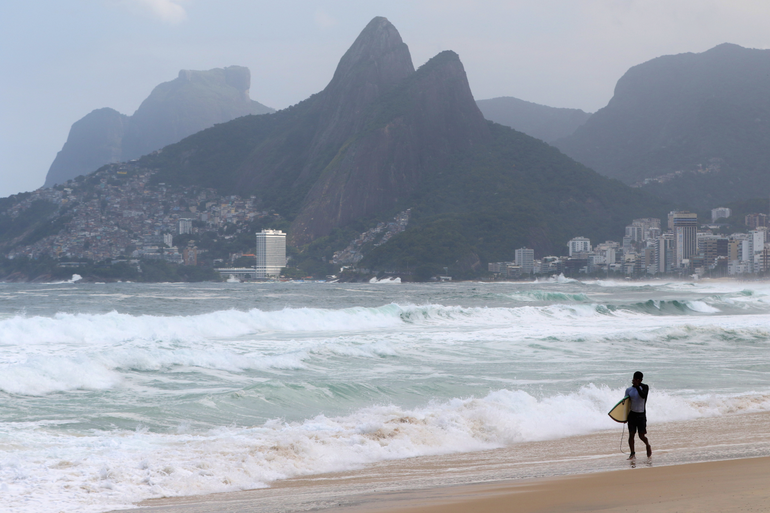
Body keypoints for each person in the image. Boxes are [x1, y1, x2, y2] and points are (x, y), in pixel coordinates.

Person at [625, 371, 651, 459]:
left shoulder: (645, 387)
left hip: (641, 415)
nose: (635, 381)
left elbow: (643, 396)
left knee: (641, 436)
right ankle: (632, 453)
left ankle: (647, 445)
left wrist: (637, 387)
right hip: (632, 415)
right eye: (634, 379)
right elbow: (625, 405)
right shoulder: (629, 390)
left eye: (638, 380)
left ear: (641, 380)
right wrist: (624, 417)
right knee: (631, 435)